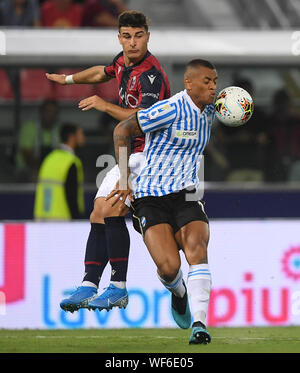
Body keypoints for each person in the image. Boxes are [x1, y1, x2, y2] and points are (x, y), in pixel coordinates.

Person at [46, 10, 171, 312]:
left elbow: (144, 118)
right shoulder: (121, 62)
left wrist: (103, 104)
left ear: (147, 37)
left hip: (151, 153)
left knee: (113, 206)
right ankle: (90, 283)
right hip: (132, 151)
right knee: (98, 211)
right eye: (127, 36)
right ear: (119, 38)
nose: (132, 43)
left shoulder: (150, 75)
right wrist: (67, 80)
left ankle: (118, 287)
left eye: (138, 36)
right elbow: (101, 72)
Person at [104, 59, 218, 345]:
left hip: (186, 195)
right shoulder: (170, 109)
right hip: (150, 198)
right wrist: (125, 177)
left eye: (216, 81)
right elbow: (122, 130)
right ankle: (179, 294)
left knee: (197, 250)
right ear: (188, 83)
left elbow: (236, 108)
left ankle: (200, 324)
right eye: (207, 82)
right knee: (168, 268)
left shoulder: (212, 110)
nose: (214, 87)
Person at [34, 123, 85, 220]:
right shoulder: (71, 161)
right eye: (80, 135)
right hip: (63, 220)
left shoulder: (49, 158)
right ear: (71, 137)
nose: (83, 139)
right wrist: (77, 219)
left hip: (42, 219)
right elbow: (71, 195)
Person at [15, 99, 60, 182]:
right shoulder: (29, 128)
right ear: (41, 113)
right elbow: (27, 155)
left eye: (53, 112)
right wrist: (40, 170)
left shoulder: (58, 130)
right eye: (48, 111)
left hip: (52, 170)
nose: (50, 115)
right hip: (28, 170)